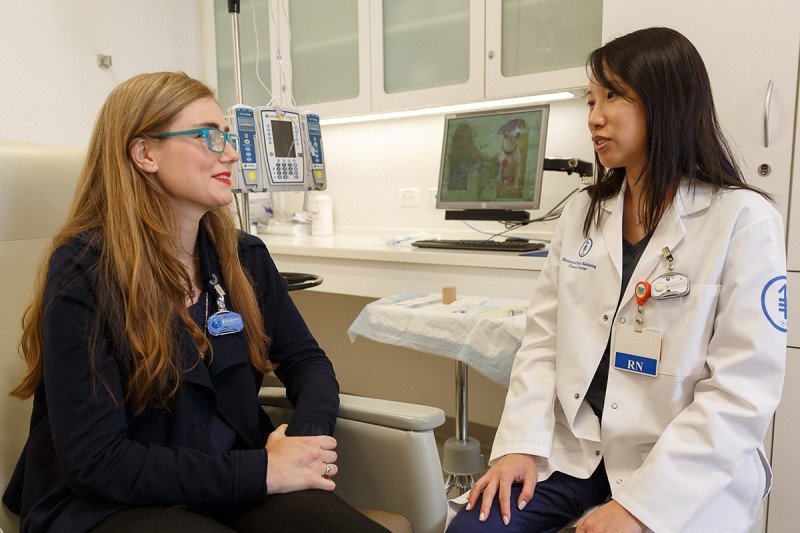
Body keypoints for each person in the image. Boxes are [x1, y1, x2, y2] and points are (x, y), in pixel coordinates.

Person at [2, 71, 387, 533]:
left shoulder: (242, 257)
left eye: (225, 134)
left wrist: (301, 445)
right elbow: (98, 461)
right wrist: (263, 471)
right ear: (144, 153)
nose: (229, 152)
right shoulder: (85, 271)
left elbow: (307, 362)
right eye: (208, 135)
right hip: (110, 502)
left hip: (233, 479)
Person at [448, 27, 786, 533]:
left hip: (680, 463)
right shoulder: (584, 211)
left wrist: (640, 506)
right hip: (579, 449)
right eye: (591, 99)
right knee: (475, 528)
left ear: (668, 103)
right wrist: (520, 444)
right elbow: (543, 342)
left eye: (613, 96)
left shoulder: (742, 219)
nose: (594, 117)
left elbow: (741, 394)